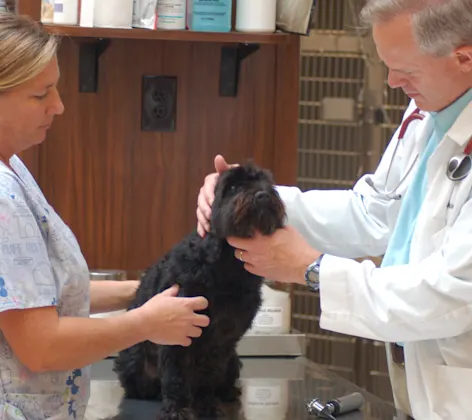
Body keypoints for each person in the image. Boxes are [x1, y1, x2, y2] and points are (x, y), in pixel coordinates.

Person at [197, 1, 472, 419]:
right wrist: (256, 197)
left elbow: (448, 294)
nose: (393, 82)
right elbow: (376, 212)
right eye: (387, 65)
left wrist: (313, 269)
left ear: (464, 57)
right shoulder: (429, 111)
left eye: (406, 71)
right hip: (422, 375)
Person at [0, 13, 210, 420]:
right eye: (41, 95)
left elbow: (35, 297)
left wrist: (147, 289)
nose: (58, 106)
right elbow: (42, 345)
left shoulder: (14, 169)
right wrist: (144, 323)